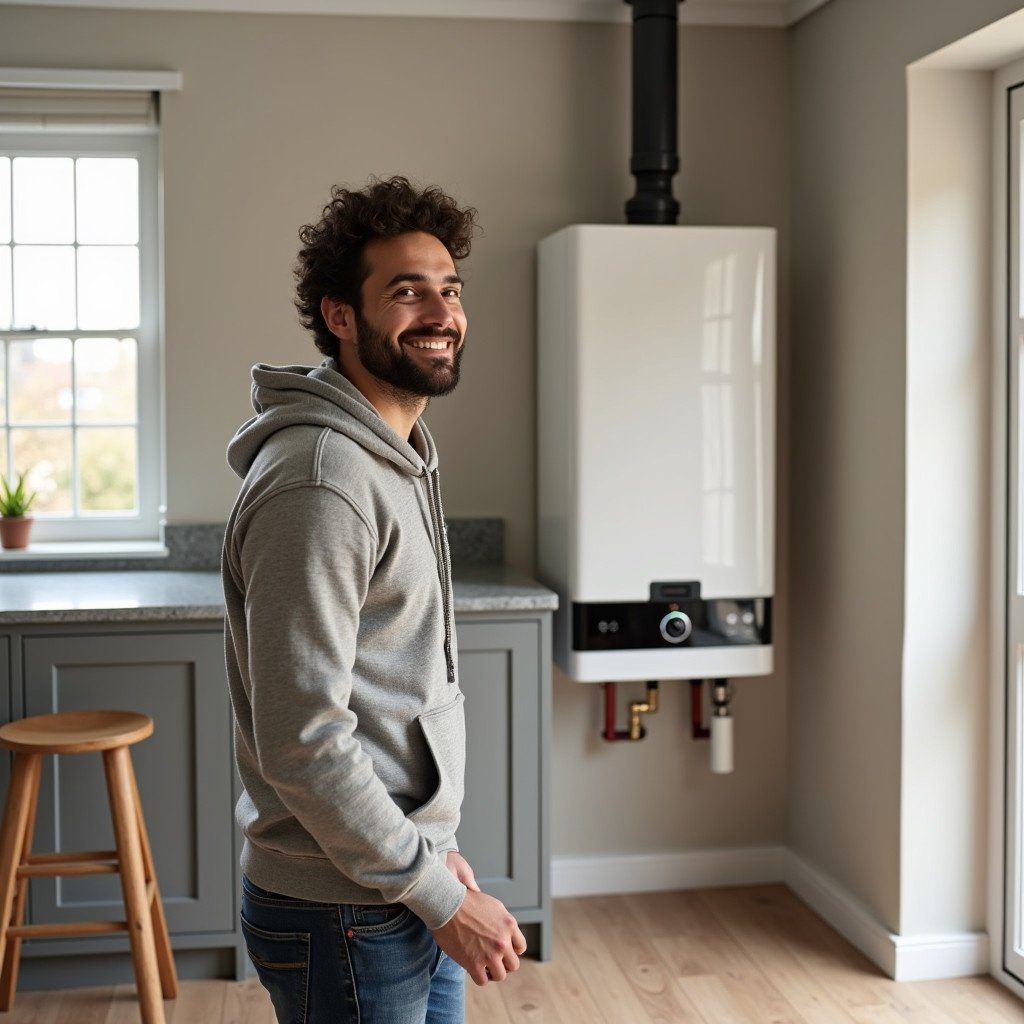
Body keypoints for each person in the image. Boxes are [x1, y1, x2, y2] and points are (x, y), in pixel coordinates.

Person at [221, 175, 526, 1024]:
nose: (440, 311)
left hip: (393, 885)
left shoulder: (393, 453)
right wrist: (437, 892)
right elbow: (307, 743)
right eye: (406, 291)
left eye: (449, 288)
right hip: (343, 913)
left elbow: (391, 694)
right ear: (341, 316)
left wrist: (436, 855)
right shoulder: (322, 484)